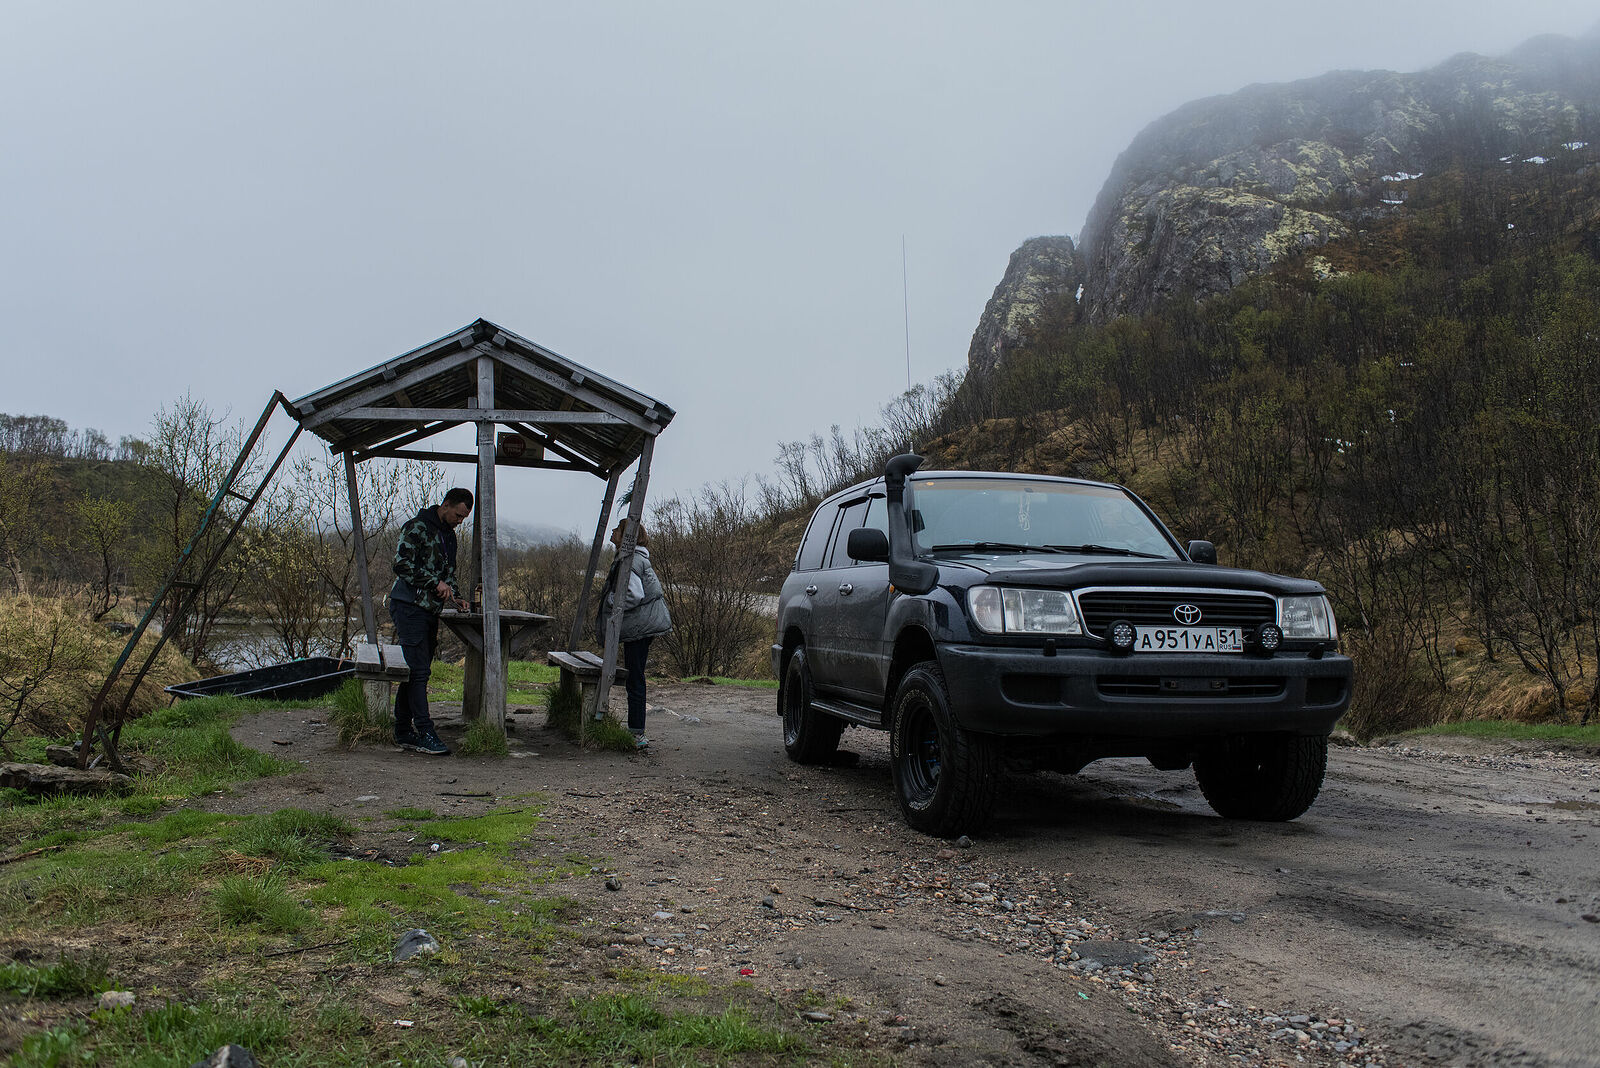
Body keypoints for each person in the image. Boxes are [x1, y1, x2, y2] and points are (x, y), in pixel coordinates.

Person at [388, 487, 473, 756]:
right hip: (408, 606)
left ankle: (403, 730)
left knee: (416, 671)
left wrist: (456, 597)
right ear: (445, 505)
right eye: (458, 515)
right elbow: (401, 564)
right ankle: (425, 731)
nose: (460, 521)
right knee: (419, 672)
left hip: (429, 611)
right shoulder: (416, 527)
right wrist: (434, 583)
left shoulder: (450, 536)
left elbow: (449, 573)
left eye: (464, 518)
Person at [599, 520, 672, 748]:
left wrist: (611, 601)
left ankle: (637, 733)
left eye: (617, 529)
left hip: (640, 628)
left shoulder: (630, 561)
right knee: (635, 676)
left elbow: (633, 595)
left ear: (627, 536)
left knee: (635, 678)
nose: (613, 531)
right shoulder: (635, 559)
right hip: (642, 626)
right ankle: (636, 731)